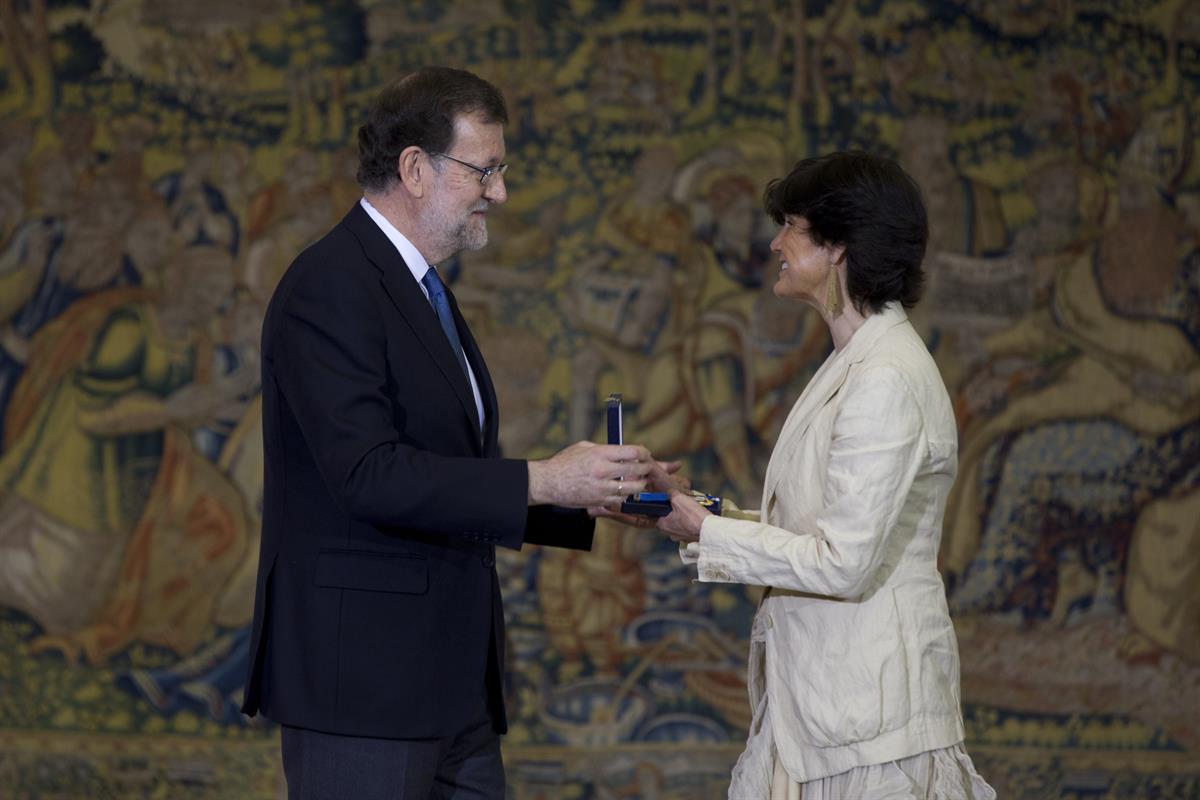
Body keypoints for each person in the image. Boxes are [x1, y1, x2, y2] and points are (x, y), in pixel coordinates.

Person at [240, 67, 665, 799]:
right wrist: (542, 479)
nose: (499, 191)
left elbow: (444, 477)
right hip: (363, 690)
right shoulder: (331, 284)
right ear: (414, 168)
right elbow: (369, 474)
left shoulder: (421, 287)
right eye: (486, 170)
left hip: (452, 686)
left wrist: (588, 494)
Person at [655, 151, 995, 799]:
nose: (777, 243)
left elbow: (843, 561)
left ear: (839, 247)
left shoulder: (885, 377)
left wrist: (707, 529)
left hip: (868, 722)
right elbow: (820, 528)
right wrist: (695, 515)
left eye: (792, 226)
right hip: (828, 706)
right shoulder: (855, 361)